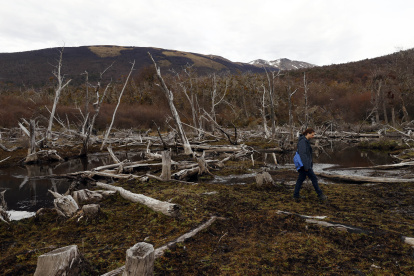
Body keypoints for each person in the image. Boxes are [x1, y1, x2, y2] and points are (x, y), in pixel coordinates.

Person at [293, 128, 327, 201]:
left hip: (305, 165)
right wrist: (306, 166)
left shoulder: (305, 141)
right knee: (314, 178)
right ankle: (320, 194)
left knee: (300, 179)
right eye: (312, 134)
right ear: (308, 133)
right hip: (304, 165)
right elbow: (303, 155)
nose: (313, 136)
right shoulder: (302, 142)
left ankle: (296, 195)